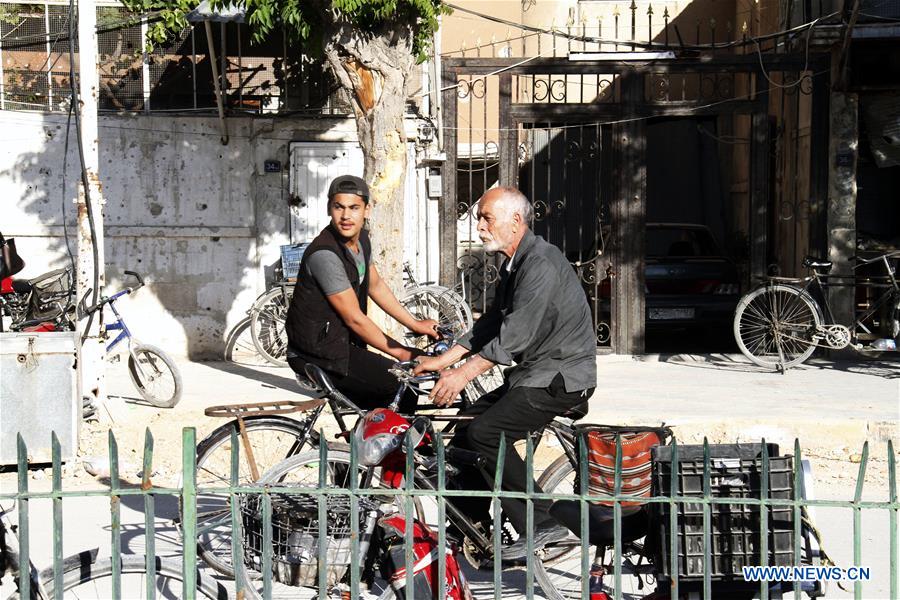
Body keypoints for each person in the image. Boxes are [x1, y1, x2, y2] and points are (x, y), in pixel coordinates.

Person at [413, 186, 597, 561]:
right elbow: (491, 324)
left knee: (486, 432)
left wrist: (461, 375)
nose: (480, 227)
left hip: (559, 379)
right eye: (479, 218)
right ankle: (474, 527)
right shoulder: (515, 264)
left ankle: (541, 522)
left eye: (486, 218)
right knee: (464, 432)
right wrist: (443, 360)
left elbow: (513, 337)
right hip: (533, 376)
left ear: (515, 221)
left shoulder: (540, 264)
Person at [285, 175, 438, 412]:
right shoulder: (325, 255)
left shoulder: (362, 241)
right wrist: (402, 352)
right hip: (317, 353)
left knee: (391, 401)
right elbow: (354, 318)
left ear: (367, 209)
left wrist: (415, 324)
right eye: (339, 207)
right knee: (401, 385)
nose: (346, 216)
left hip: (341, 345)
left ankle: (377, 435)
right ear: (329, 209)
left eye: (354, 208)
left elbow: (375, 285)